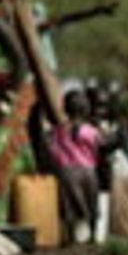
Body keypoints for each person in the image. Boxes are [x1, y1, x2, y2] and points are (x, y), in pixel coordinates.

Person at [51, 90, 101, 244]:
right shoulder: (91, 131)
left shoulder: (59, 130)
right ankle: (93, 235)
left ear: (65, 109)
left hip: (67, 171)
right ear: (86, 109)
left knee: (68, 205)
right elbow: (99, 145)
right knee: (92, 202)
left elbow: (53, 149)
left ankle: (70, 237)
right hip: (88, 170)